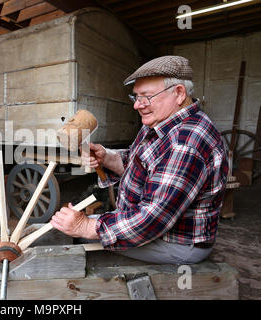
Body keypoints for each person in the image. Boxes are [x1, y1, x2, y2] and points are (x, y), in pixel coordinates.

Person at [51, 56, 229, 264]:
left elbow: (153, 219)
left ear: (179, 93)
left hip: (176, 242)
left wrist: (86, 227)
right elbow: (142, 162)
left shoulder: (186, 142)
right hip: (152, 226)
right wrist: (107, 157)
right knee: (72, 230)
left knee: (77, 236)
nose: (137, 105)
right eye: (136, 97)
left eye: (146, 97)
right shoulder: (159, 123)